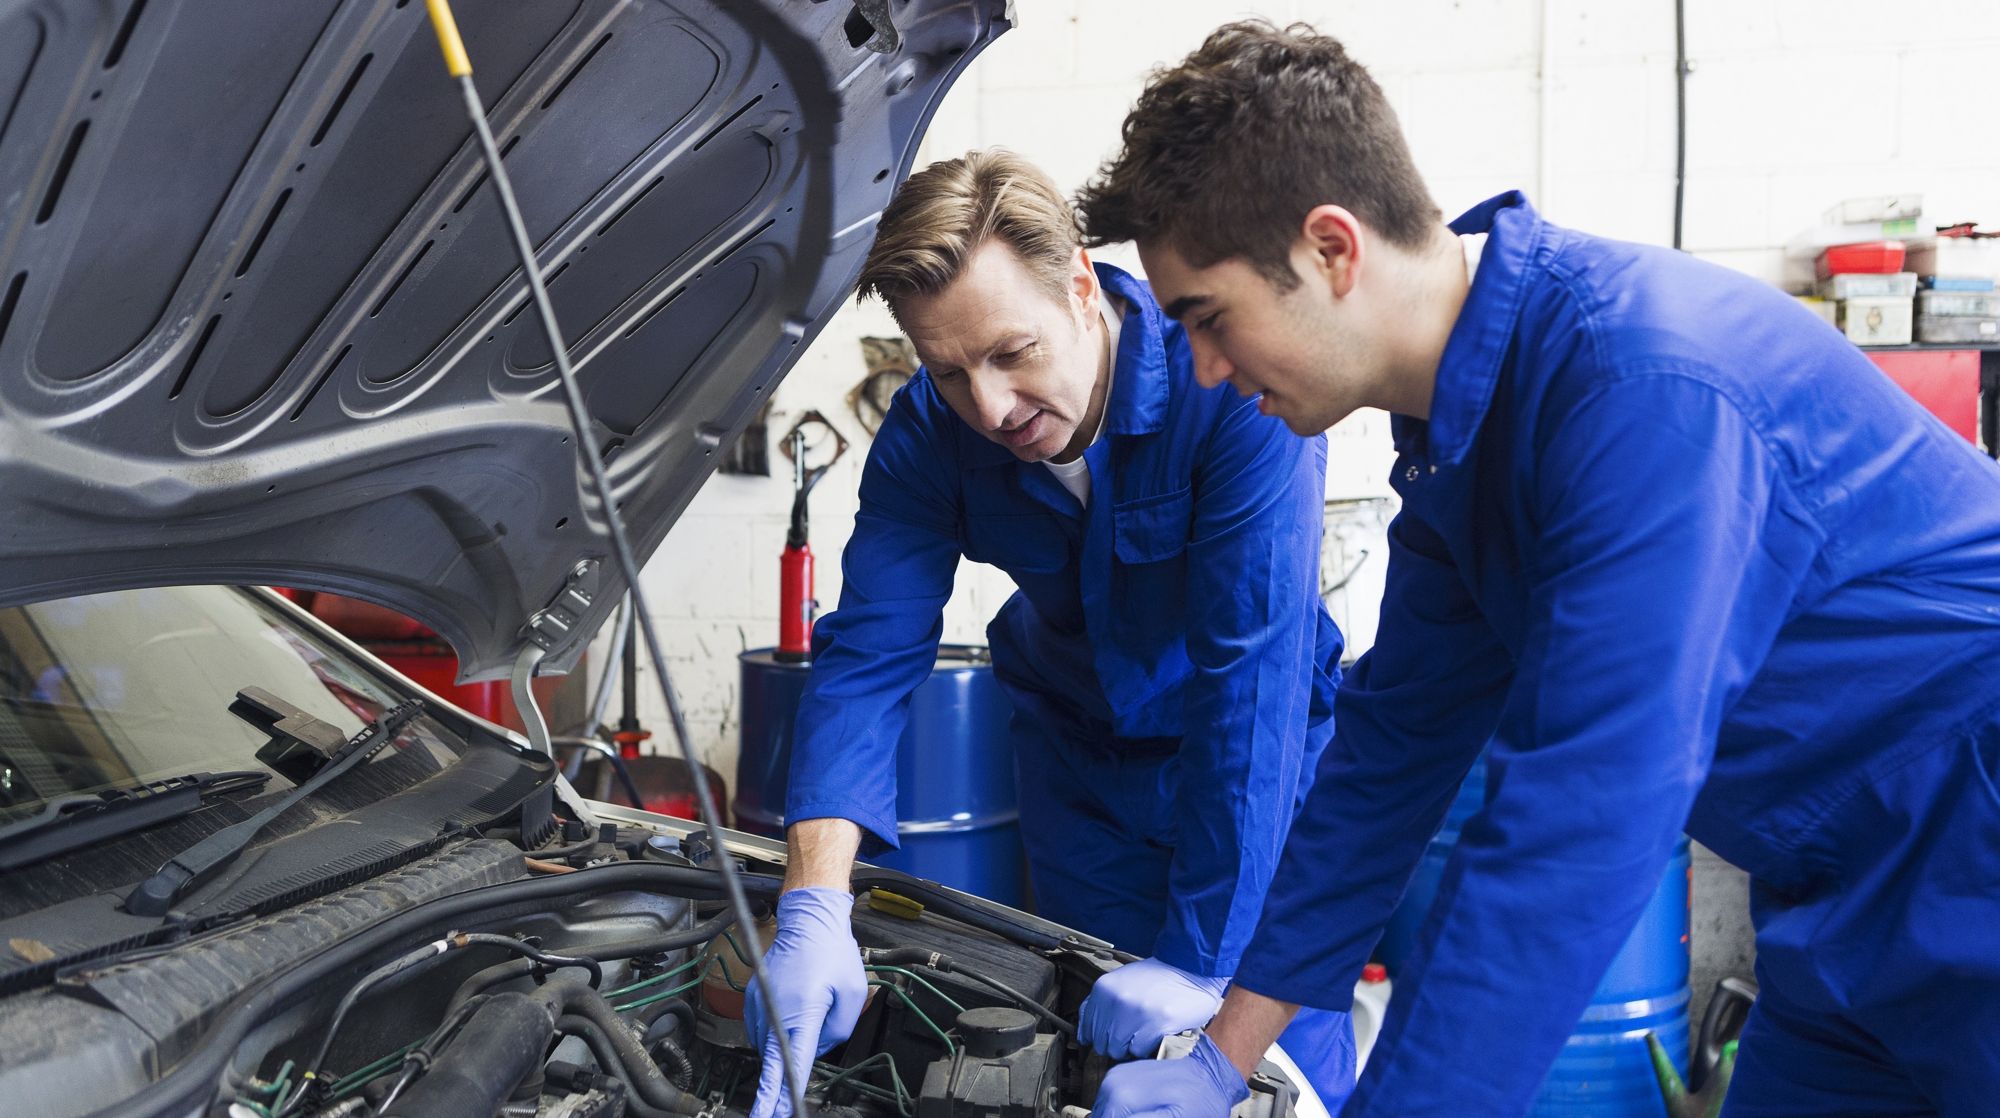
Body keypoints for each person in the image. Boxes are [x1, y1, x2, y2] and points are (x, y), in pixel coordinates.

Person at [1074, 20, 2000, 1118]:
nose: (1206, 371)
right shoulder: (1467, 438)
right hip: (1832, 895)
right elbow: (1388, 759)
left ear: (1330, 248)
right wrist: (1223, 1052)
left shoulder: (1638, 391)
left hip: (1971, 846)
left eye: (1206, 319)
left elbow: (1579, 814)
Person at [741, 149, 1356, 1117]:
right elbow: (866, 656)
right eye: (948, 371)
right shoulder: (925, 433)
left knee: (1276, 1073)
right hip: (1080, 768)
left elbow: (1253, 673)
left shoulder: (1228, 384)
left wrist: (1204, 957)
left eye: (1009, 352)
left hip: (1256, 765)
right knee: (1089, 1049)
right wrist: (813, 898)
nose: (987, 408)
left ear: (1077, 284)